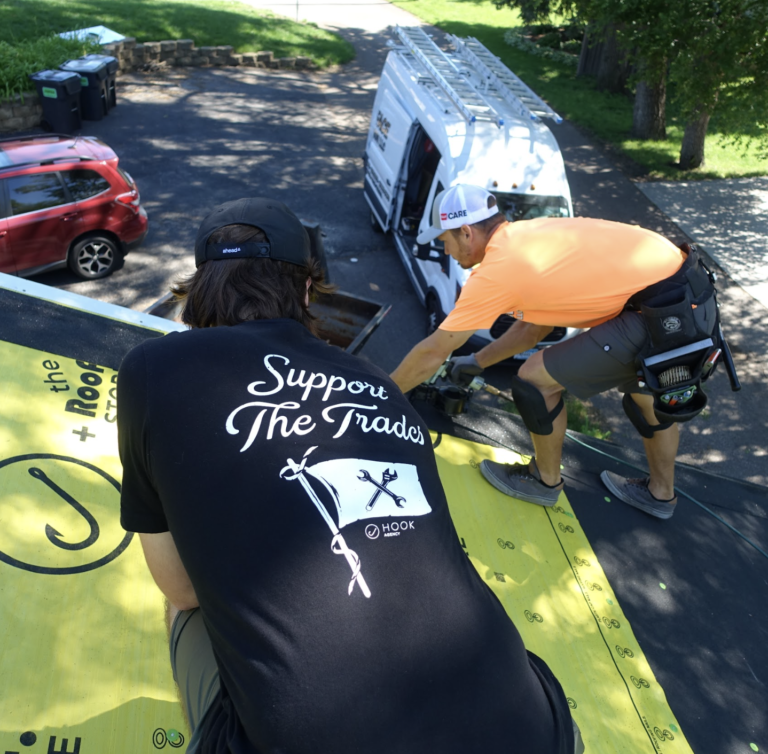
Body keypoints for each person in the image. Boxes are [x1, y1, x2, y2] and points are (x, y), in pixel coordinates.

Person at [117, 197, 580, 754]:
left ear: (200, 288)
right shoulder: (378, 382)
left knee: (185, 611)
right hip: (535, 730)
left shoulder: (153, 368)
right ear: (307, 291)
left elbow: (182, 588)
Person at [390, 184, 718, 521]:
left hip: (664, 310)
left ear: (465, 232)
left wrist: (382, 393)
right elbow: (534, 328)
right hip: (687, 296)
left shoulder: (498, 268)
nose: (446, 250)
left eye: (445, 240)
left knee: (534, 381)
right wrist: (477, 361)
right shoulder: (525, 238)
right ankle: (660, 495)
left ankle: (543, 482)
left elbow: (434, 350)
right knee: (645, 396)